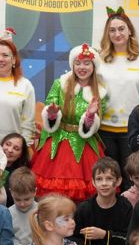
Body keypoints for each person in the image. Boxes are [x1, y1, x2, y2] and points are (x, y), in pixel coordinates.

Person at [33, 43, 107, 201]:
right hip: (57, 142)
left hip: (84, 145)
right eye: (78, 63)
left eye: (87, 63)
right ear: (72, 65)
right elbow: (50, 107)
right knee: (53, 194)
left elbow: (95, 125)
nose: (82, 67)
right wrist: (52, 114)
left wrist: (90, 116)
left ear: (93, 66)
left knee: (84, 195)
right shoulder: (60, 84)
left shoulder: (100, 92)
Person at [97, 6, 139, 190]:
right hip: (104, 129)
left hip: (131, 130)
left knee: (130, 179)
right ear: (107, 34)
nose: (117, 34)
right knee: (107, 179)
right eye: (112, 30)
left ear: (129, 30)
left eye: (121, 29)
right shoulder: (99, 59)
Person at [8, 167, 37, 245]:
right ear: (11, 192)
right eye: (17, 199)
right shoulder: (8, 213)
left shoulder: (41, 212)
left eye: (27, 199)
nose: (22, 204)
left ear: (35, 191)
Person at [0, 133, 31, 207]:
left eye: (16, 148)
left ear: (20, 154)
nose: (10, 150)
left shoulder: (21, 175)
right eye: (8, 144)